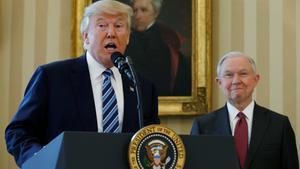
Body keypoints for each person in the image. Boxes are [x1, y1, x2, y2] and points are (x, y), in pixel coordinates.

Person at [5, 0, 160, 167]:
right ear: (86, 37)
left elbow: (150, 141)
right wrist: (41, 162)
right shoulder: (52, 77)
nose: (111, 33)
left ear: (128, 37)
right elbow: (18, 132)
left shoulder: (142, 87)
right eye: (102, 25)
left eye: (118, 26)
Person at [191, 51, 299, 169]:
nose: (236, 81)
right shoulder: (202, 126)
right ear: (219, 82)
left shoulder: (280, 124)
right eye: (229, 75)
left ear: (256, 79)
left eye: (243, 74)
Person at [125, 0, 191, 96]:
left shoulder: (165, 38)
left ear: (155, 13)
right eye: (135, 10)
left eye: (144, 10)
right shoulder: (129, 37)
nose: (138, 16)